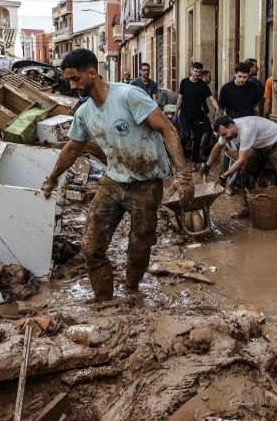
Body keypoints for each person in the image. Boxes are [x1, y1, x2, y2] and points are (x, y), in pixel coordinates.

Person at [41, 49, 193, 302]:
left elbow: (167, 129)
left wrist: (184, 176)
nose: (72, 85)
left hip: (145, 185)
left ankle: (132, 289)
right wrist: (53, 177)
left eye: (75, 79)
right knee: (91, 248)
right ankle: (104, 301)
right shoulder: (84, 112)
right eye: (68, 80)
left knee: (139, 247)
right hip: (112, 182)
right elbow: (73, 148)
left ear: (92, 73)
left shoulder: (128, 95)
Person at [202, 115, 277, 222]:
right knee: (245, 175)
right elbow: (218, 146)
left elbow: (240, 161)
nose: (225, 138)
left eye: (225, 135)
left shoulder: (246, 130)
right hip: (260, 147)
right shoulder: (226, 129)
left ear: (231, 126)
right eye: (222, 136)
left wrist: (224, 176)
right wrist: (207, 165)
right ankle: (248, 208)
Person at [176, 62, 218, 166]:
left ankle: (193, 161)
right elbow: (180, 98)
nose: (197, 74)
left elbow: (211, 98)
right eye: (195, 71)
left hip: (198, 116)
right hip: (185, 115)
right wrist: (176, 113)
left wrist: (218, 107)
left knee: (197, 138)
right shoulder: (184, 82)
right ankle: (179, 157)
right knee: (185, 135)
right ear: (191, 70)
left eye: (199, 72)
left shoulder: (203, 85)